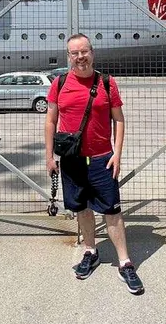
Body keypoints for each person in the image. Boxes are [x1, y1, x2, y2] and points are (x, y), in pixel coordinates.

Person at [44, 34, 144, 295]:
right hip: (72, 160)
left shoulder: (107, 83)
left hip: (102, 159)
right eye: (74, 53)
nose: (80, 57)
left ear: (92, 52)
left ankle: (125, 262)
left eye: (84, 51)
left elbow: (119, 119)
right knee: (82, 208)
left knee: (112, 211)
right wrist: (49, 156)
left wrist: (117, 153)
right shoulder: (59, 83)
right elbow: (50, 121)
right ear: (69, 56)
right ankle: (91, 251)